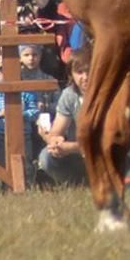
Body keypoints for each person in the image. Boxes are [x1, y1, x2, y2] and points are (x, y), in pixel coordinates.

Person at [38, 49, 90, 186]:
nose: (85, 77)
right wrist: (52, 140)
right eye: (79, 72)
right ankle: (75, 184)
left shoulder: (107, 95)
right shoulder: (70, 94)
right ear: (71, 74)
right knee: (46, 156)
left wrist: (70, 147)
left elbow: (104, 143)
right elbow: (56, 131)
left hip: (105, 155)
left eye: (89, 72)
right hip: (78, 154)